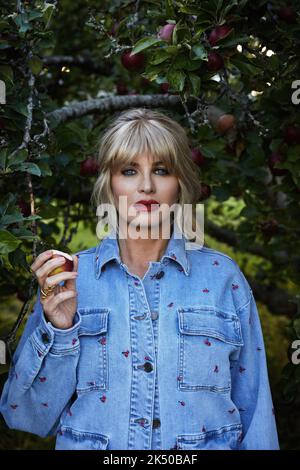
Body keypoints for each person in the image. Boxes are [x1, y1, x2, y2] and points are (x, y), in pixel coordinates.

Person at [0, 108, 280, 450]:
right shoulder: (70, 281)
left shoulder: (222, 278)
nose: (146, 186)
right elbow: (26, 416)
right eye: (129, 171)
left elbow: (256, 413)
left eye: (161, 170)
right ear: (109, 183)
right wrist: (60, 330)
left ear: (180, 184)